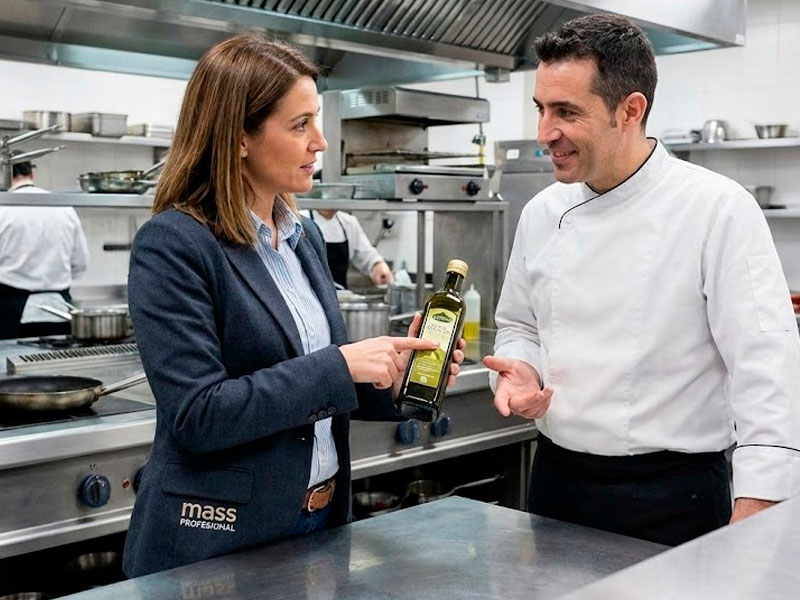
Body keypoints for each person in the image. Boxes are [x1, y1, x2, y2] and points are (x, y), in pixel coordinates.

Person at [122, 33, 464, 578]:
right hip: (222, 540)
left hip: (319, 523)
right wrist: (342, 364)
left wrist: (395, 379)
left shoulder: (300, 236)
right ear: (239, 138)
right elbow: (197, 415)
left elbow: (321, 388)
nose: (321, 143)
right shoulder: (175, 243)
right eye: (299, 125)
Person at [484, 14, 800, 547]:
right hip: (557, 484)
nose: (544, 133)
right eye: (541, 109)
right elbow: (518, 325)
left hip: (674, 497)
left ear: (630, 110)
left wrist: (761, 502)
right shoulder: (542, 212)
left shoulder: (717, 209)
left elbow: (765, 364)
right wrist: (521, 374)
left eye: (566, 112)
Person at [0, 156, 90, 339]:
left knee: (8, 362)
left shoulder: (3, 207)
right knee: (57, 361)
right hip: (60, 308)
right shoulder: (63, 206)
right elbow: (81, 262)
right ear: (32, 173)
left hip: (10, 308)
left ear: (5, 175)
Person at [305, 208, 393, 288]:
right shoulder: (303, 219)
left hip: (340, 296)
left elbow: (366, 254)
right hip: (310, 295)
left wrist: (377, 265)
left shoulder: (348, 222)